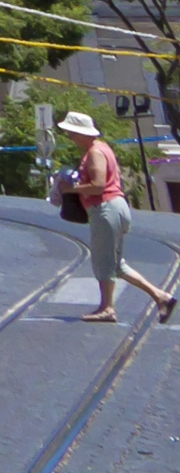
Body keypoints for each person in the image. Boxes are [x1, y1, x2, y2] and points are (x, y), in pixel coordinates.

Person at [62, 112, 174, 323]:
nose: (69, 136)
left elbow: (98, 186)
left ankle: (107, 308)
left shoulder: (95, 152)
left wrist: (71, 189)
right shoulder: (102, 148)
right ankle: (161, 297)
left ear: (81, 132)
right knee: (116, 265)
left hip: (105, 209)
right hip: (116, 207)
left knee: (103, 262)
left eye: (71, 133)